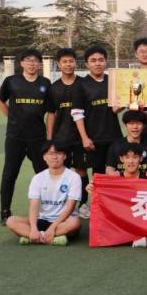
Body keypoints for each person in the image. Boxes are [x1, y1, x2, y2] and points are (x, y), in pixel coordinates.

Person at [0, 48, 56, 224]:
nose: (32, 63)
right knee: (9, 174)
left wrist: (49, 137)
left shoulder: (45, 83)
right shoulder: (11, 81)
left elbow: (51, 112)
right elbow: (1, 101)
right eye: (28, 60)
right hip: (15, 137)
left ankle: (48, 212)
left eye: (35, 60)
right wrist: (12, 118)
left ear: (40, 64)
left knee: (44, 174)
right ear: (21, 63)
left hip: (38, 138)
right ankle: (5, 211)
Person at [73, 45, 121, 216]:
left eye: (101, 60)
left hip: (113, 136)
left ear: (106, 62)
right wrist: (84, 137)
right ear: (87, 64)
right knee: (96, 173)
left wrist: (128, 102)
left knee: (113, 173)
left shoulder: (112, 81)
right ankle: (89, 205)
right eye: (93, 61)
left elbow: (114, 109)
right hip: (94, 138)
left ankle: (111, 207)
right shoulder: (81, 85)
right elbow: (77, 113)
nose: (98, 63)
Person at [5, 140, 81, 245]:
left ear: (64, 156)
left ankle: (33, 237)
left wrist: (53, 227)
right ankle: (51, 238)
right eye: (51, 153)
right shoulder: (38, 178)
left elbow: (70, 207)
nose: (55, 157)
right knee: (11, 221)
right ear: (44, 157)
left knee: (75, 223)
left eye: (58, 153)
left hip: (62, 221)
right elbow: (34, 206)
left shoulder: (74, 177)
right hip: (42, 220)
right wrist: (33, 228)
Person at [49, 47, 87, 199]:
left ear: (75, 63)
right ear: (59, 64)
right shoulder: (54, 87)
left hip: (80, 137)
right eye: (64, 62)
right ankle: (63, 202)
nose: (68, 64)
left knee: (81, 169)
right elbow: (51, 113)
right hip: (61, 136)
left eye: (71, 61)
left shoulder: (83, 84)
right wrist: (49, 138)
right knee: (61, 170)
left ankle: (82, 203)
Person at [106, 110, 147, 177]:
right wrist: (112, 173)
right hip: (122, 181)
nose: (135, 127)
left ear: (144, 125)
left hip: (143, 181)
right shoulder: (115, 146)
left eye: (139, 123)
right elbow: (109, 167)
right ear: (125, 125)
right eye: (131, 123)